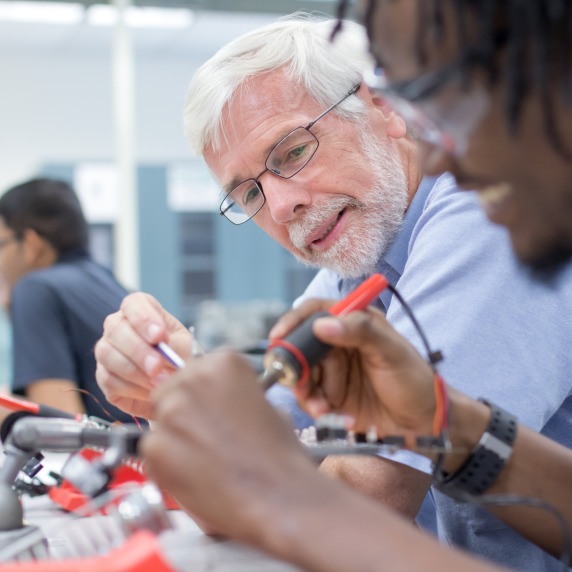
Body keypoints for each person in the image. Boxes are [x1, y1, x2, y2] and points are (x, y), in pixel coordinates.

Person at [95, 14, 572, 571]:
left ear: (383, 107)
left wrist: (241, 463)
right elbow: (233, 504)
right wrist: (172, 395)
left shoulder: (481, 213)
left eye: (292, 153)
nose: (278, 207)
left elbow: (360, 498)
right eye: (249, 193)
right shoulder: (359, 266)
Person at [0, 177, 133, 423]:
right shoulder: (104, 279)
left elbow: (60, 429)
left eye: (1, 245)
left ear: (31, 244)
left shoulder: (35, 289)